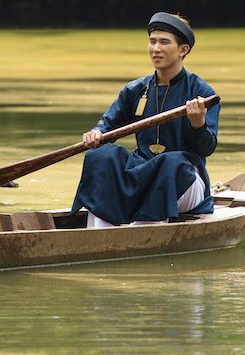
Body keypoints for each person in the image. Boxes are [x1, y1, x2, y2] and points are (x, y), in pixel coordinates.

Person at [72, 12, 219, 228]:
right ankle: (98, 231)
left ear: (183, 50)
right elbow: (106, 126)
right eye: (152, 42)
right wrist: (96, 133)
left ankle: (143, 230)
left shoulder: (202, 92)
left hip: (184, 179)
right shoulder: (135, 90)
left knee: (172, 161)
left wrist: (198, 124)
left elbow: (206, 148)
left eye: (164, 42)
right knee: (101, 155)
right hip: (143, 175)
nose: (155, 49)